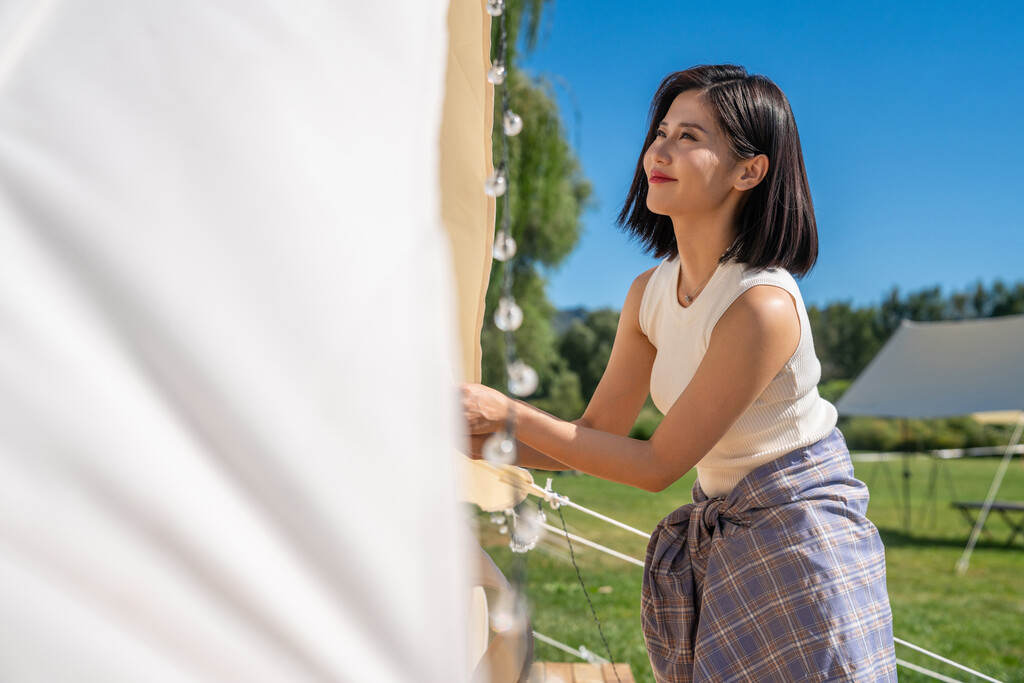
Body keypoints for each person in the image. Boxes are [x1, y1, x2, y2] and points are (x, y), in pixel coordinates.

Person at [461, 64, 897, 682]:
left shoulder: (762, 305)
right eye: (661, 131)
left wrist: (505, 415)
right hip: (729, 530)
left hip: (801, 537)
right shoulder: (649, 293)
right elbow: (592, 434)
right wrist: (475, 436)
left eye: (690, 137)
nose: (657, 151)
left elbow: (656, 465)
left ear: (751, 170)